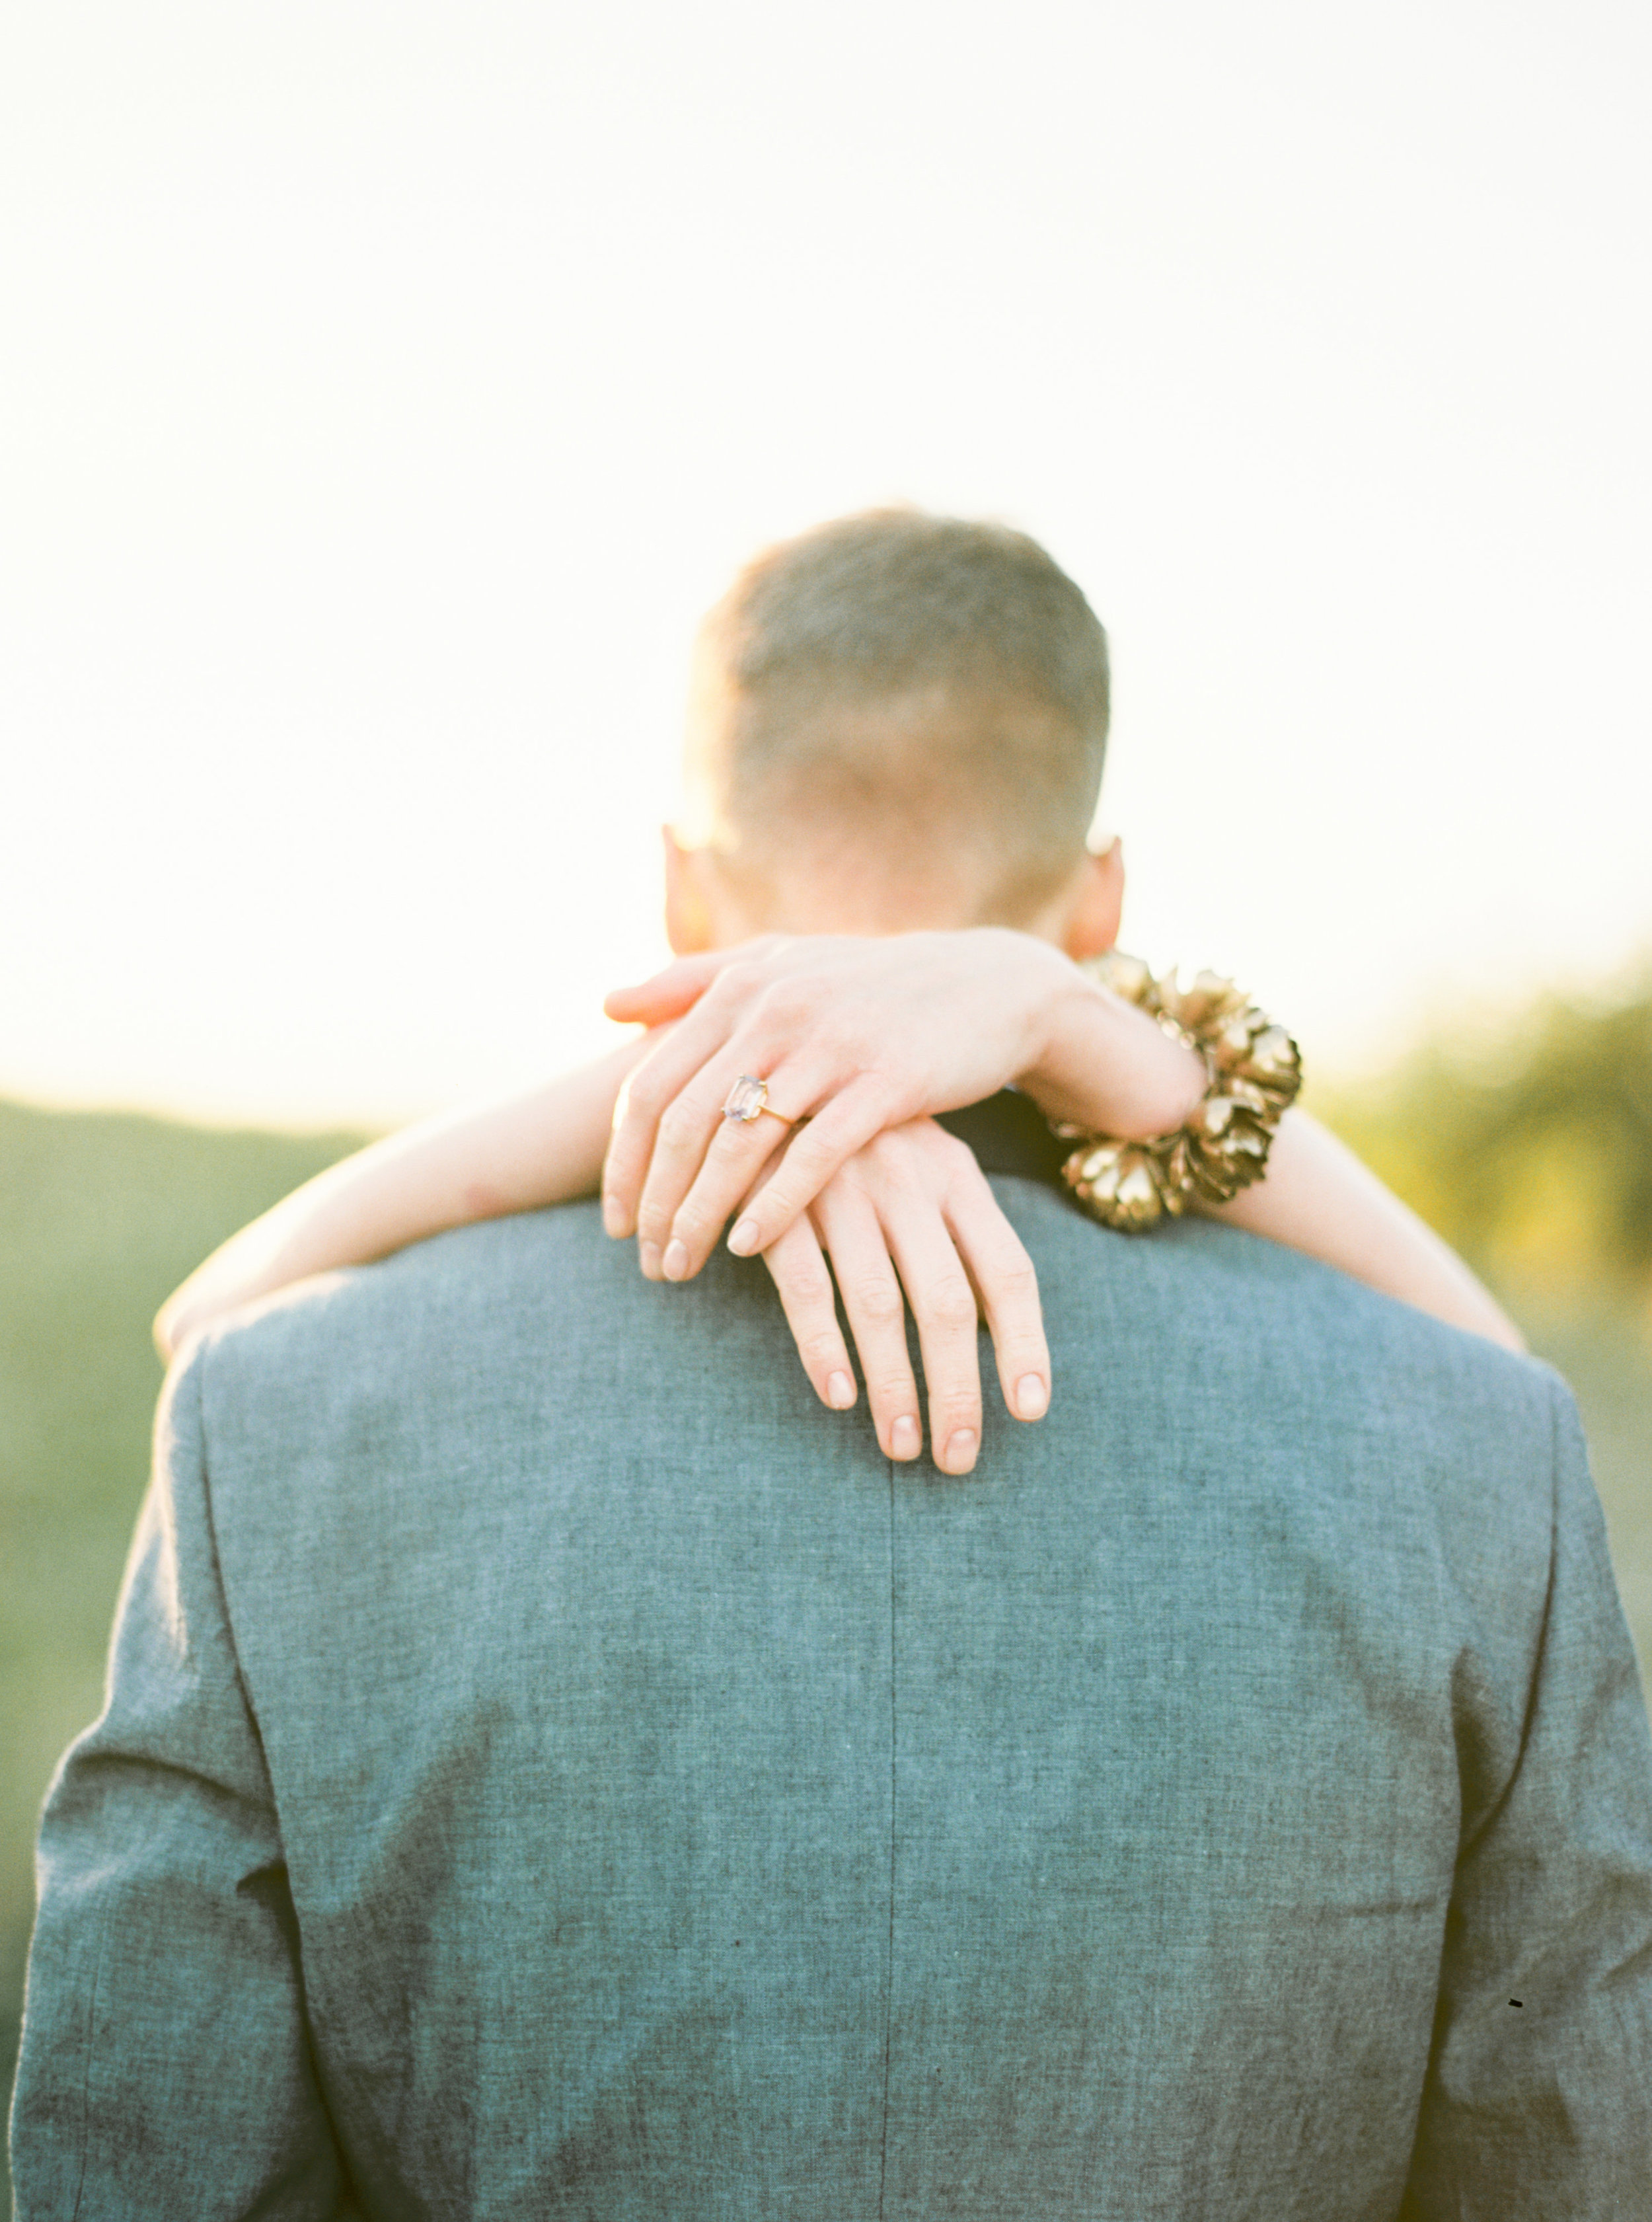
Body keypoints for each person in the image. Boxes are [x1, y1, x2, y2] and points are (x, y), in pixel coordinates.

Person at [12, 512, 1652, 2214]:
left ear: (678, 889)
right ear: (1099, 901)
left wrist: (696, 1078)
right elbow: (1574, 2157)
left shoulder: (275, 1416)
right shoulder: (1469, 1442)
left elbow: (141, 2161)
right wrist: (1073, 1027)